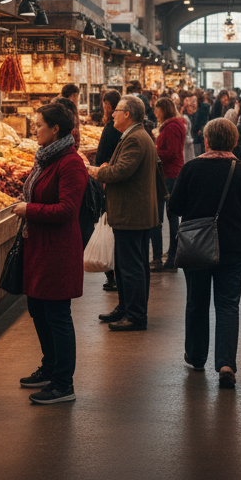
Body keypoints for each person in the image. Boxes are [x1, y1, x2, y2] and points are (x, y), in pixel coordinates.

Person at [168, 118, 241, 390]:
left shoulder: (191, 168)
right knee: (228, 304)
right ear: (234, 141)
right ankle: (226, 364)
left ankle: (197, 356)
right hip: (233, 247)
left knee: (196, 301)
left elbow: (175, 206)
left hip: (197, 245)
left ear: (206, 140)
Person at [11, 102, 88, 404]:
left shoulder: (70, 163)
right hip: (39, 247)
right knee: (38, 310)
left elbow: (68, 210)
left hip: (58, 251)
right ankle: (50, 367)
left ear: (55, 129)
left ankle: (63, 384)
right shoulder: (45, 159)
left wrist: (29, 209)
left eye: (39, 124)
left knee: (57, 315)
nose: (35, 129)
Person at [89, 95, 160, 331]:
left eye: (117, 111)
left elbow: (121, 171)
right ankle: (125, 307)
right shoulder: (133, 135)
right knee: (126, 265)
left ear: (128, 114)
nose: (112, 114)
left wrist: (96, 171)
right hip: (132, 212)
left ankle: (136, 315)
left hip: (132, 213)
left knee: (131, 267)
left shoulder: (135, 139)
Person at [151, 97, 185, 271]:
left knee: (162, 218)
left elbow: (171, 152)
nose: (155, 113)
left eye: (157, 110)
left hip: (168, 176)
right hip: (170, 175)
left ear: (164, 110)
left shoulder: (171, 127)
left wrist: (153, 150)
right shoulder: (173, 126)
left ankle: (168, 257)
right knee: (170, 218)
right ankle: (170, 257)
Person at [95, 89, 123, 292]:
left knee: (111, 229)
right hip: (123, 188)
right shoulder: (130, 131)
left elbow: (100, 158)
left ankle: (112, 274)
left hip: (112, 185)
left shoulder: (110, 129)